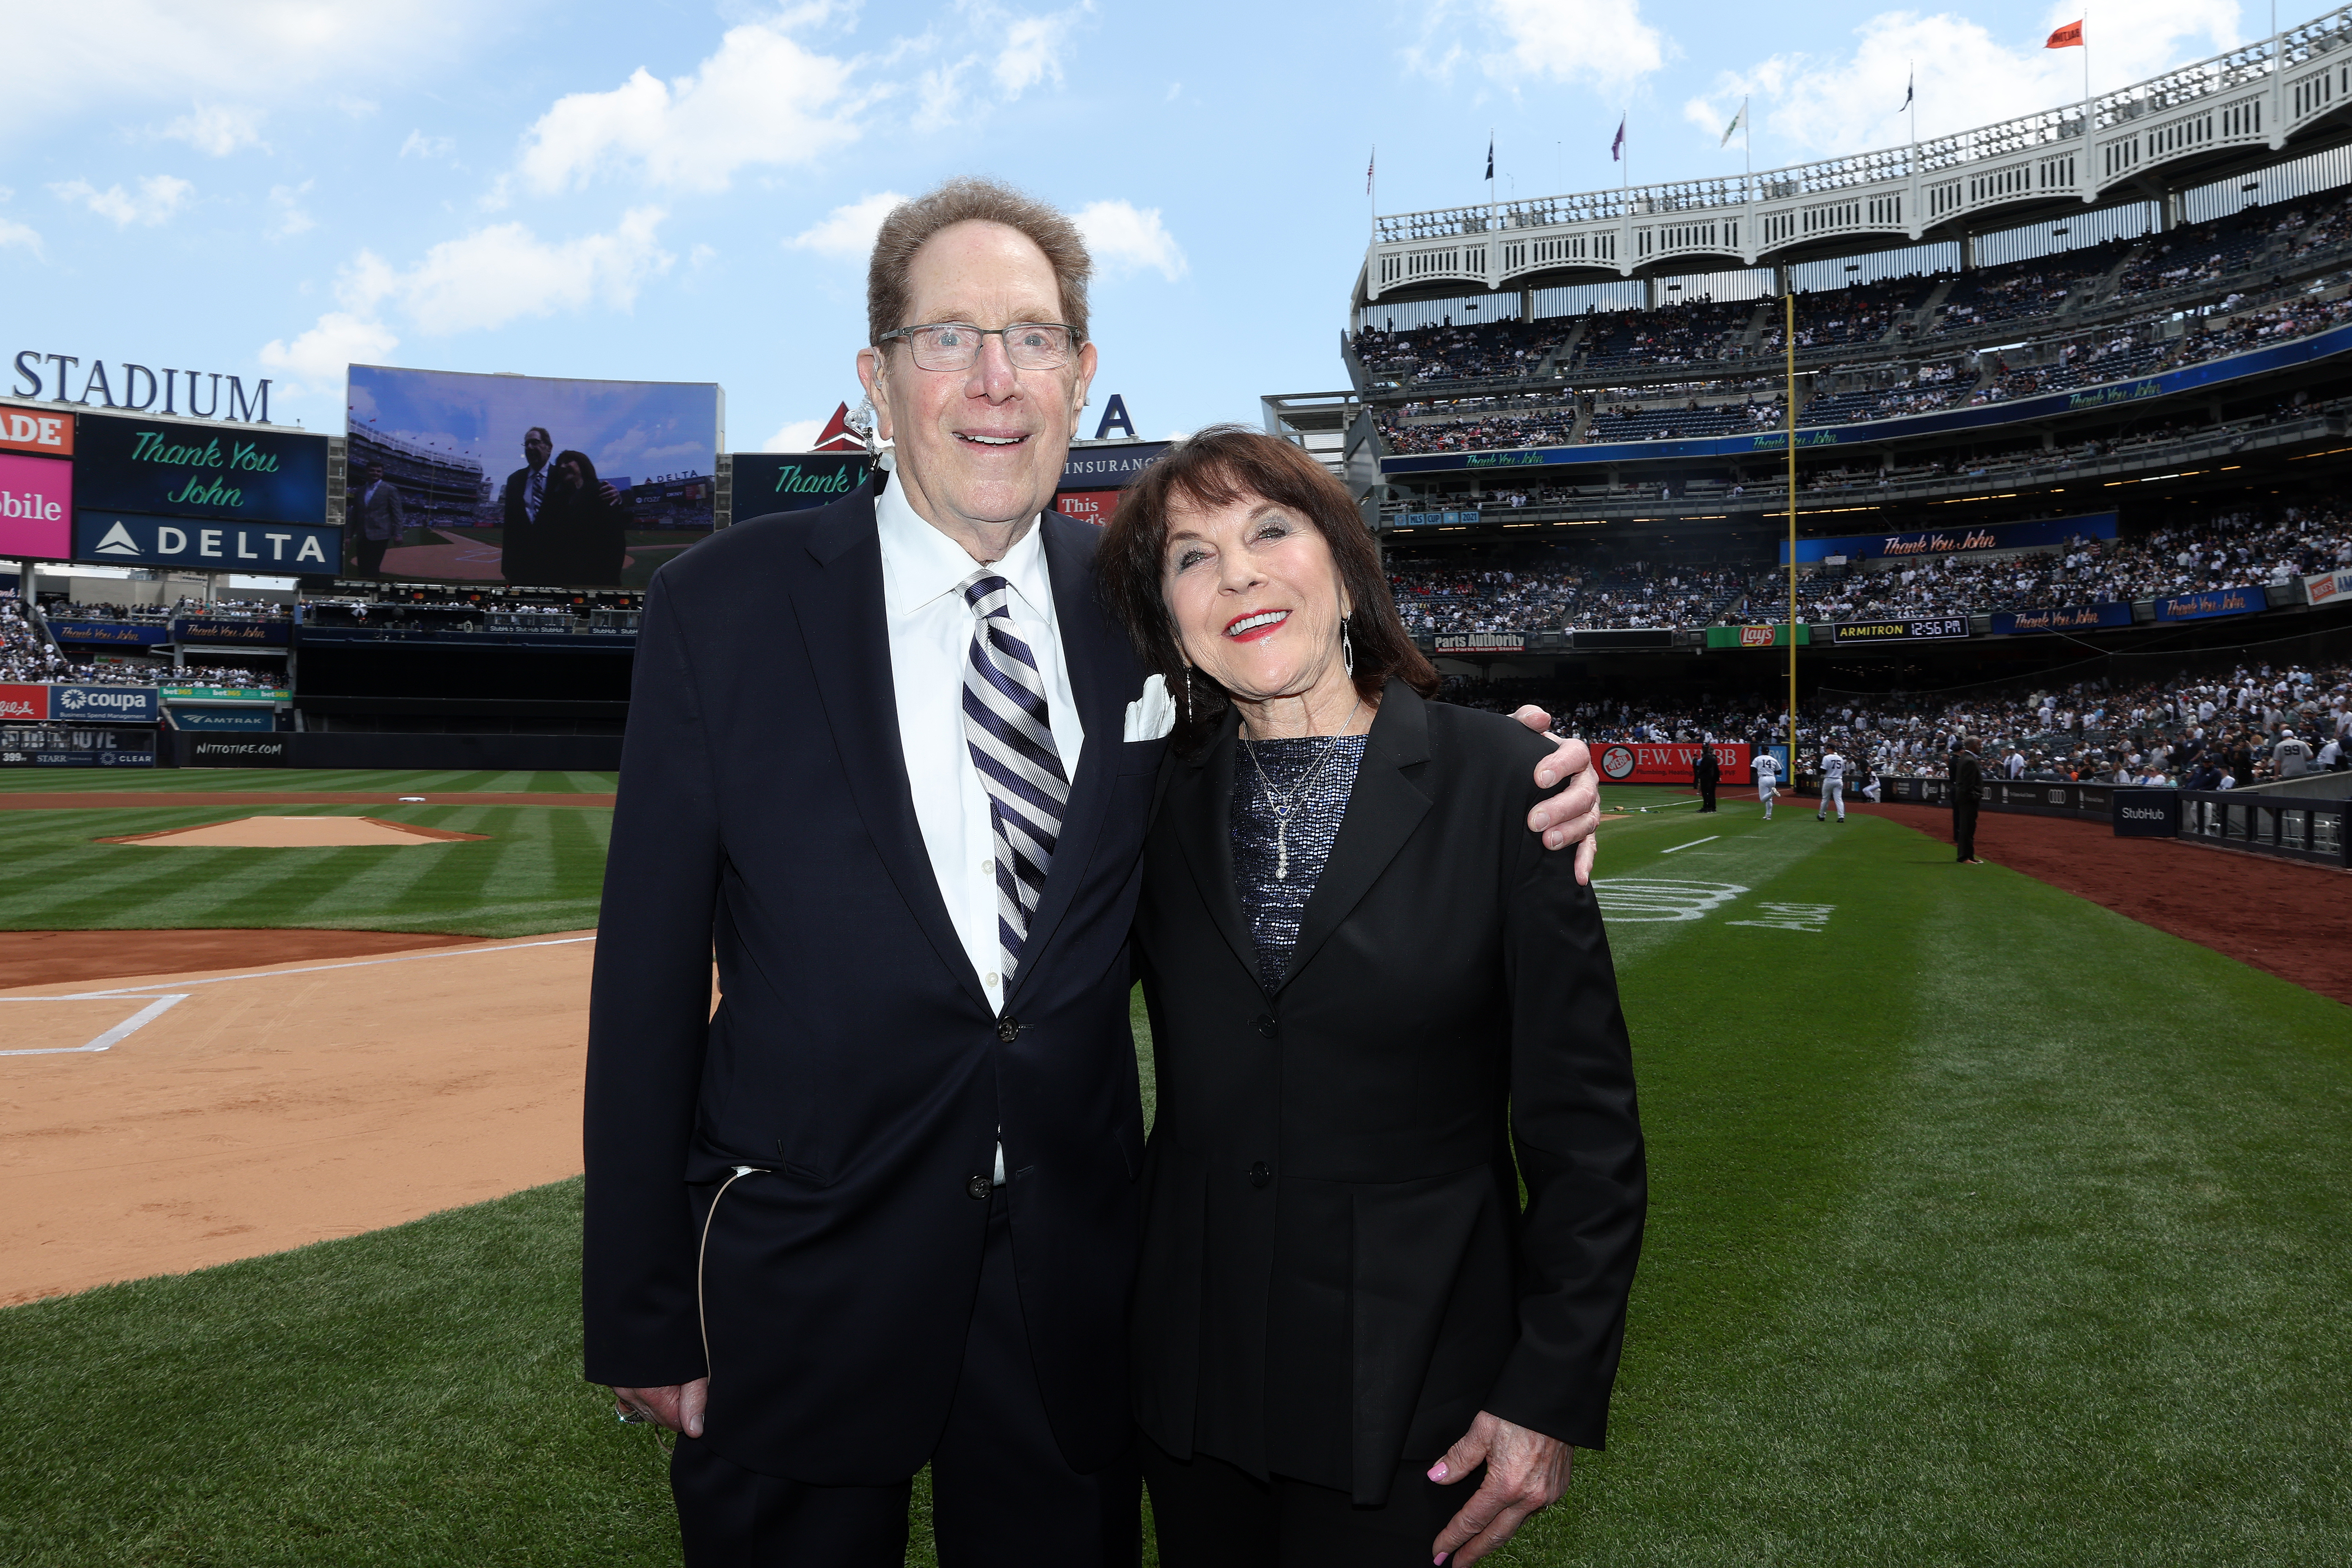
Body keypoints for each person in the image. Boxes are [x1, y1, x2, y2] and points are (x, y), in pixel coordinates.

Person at [580, 178, 1605, 1568]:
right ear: (878, 379)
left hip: (1076, 1297)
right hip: (799, 1280)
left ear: (1081, 372)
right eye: (949, 338)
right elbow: (644, 984)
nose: (995, 379)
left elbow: (1314, 733)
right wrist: (641, 1304)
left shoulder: (1141, 604)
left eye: (1033, 336)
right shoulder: (721, 608)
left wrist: (1520, 767)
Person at [1096, 428, 1645, 1568]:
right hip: (1192, 1382)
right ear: (1172, 622)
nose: (1236, 572)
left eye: (1268, 530)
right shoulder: (1143, 804)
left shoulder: (1506, 781)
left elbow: (1584, 1136)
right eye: (1190, 557)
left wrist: (1545, 1392)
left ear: (1344, 568)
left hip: (1416, 1389)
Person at [540, 449, 630, 586]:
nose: (563, 467)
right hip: (566, 578)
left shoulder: (602, 492)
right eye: (560, 465)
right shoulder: (557, 499)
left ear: (582, 464)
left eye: (568, 462)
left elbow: (615, 542)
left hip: (599, 578)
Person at [351, 459, 407, 577]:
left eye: (378, 471)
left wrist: (398, 534)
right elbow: (354, 514)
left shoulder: (390, 490)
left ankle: (373, 591)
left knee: (373, 566)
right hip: (362, 534)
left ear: (382, 474)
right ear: (367, 471)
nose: (375, 473)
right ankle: (363, 590)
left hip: (380, 534)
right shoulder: (360, 491)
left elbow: (397, 513)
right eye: (372, 471)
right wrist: (348, 535)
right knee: (362, 566)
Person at [1951, 735, 1984, 863]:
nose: (1981, 747)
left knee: (1970, 828)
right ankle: (1964, 857)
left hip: (1966, 798)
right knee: (1967, 828)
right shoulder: (1969, 760)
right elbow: (1968, 784)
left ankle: (1970, 856)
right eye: (1980, 745)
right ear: (1973, 746)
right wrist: (1974, 796)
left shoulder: (1966, 758)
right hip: (1968, 799)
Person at [1817, 746, 1847, 822]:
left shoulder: (1827, 758)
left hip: (1829, 780)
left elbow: (1823, 771)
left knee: (1825, 799)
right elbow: (1844, 771)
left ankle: (1822, 816)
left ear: (1830, 749)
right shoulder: (1840, 758)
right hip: (1839, 780)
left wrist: (1819, 767)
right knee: (1839, 799)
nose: (1826, 750)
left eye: (1827, 749)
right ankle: (1841, 817)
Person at [1752, 744, 1779, 820]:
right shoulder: (1773, 759)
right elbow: (1779, 771)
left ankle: (1772, 793)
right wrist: (1770, 771)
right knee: (1769, 799)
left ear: (1762, 751)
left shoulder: (1758, 759)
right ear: (1769, 751)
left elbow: (1753, 769)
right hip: (1772, 778)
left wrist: (1761, 770)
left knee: (1763, 799)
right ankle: (1768, 815)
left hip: (1763, 778)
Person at [1694, 741, 1720, 812]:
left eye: (1705, 748)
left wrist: (1699, 775)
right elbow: (1717, 769)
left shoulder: (1706, 758)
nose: (1703, 749)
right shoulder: (1713, 757)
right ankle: (1712, 808)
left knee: (1706, 793)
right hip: (1712, 778)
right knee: (1712, 793)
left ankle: (1707, 807)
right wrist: (1717, 777)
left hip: (1706, 778)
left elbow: (1703, 769)